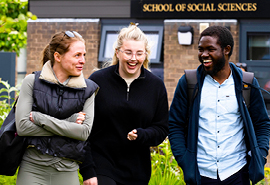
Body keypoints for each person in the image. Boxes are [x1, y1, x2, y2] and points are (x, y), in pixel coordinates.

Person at [169, 26, 270, 185]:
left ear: (226, 50)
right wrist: (184, 159)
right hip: (200, 174)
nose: (204, 55)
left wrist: (260, 154)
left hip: (237, 172)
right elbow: (175, 125)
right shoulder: (188, 82)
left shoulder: (247, 83)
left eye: (210, 49)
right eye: (200, 49)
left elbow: (262, 123)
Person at [80, 23, 169, 185]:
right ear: (117, 52)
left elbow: (161, 128)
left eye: (139, 53)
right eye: (128, 52)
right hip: (102, 164)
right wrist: (88, 170)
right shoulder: (97, 81)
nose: (133, 58)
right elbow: (83, 127)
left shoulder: (156, 86)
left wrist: (142, 134)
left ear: (146, 55)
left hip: (137, 170)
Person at [15, 31, 99, 185]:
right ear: (58, 57)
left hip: (67, 171)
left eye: (84, 55)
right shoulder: (32, 82)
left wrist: (41, 118)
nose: (83, 60)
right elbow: (23, 127)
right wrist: (70, 123)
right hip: (33, 169)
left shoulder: (88, 89)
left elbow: (83, 133)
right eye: (77, 55)